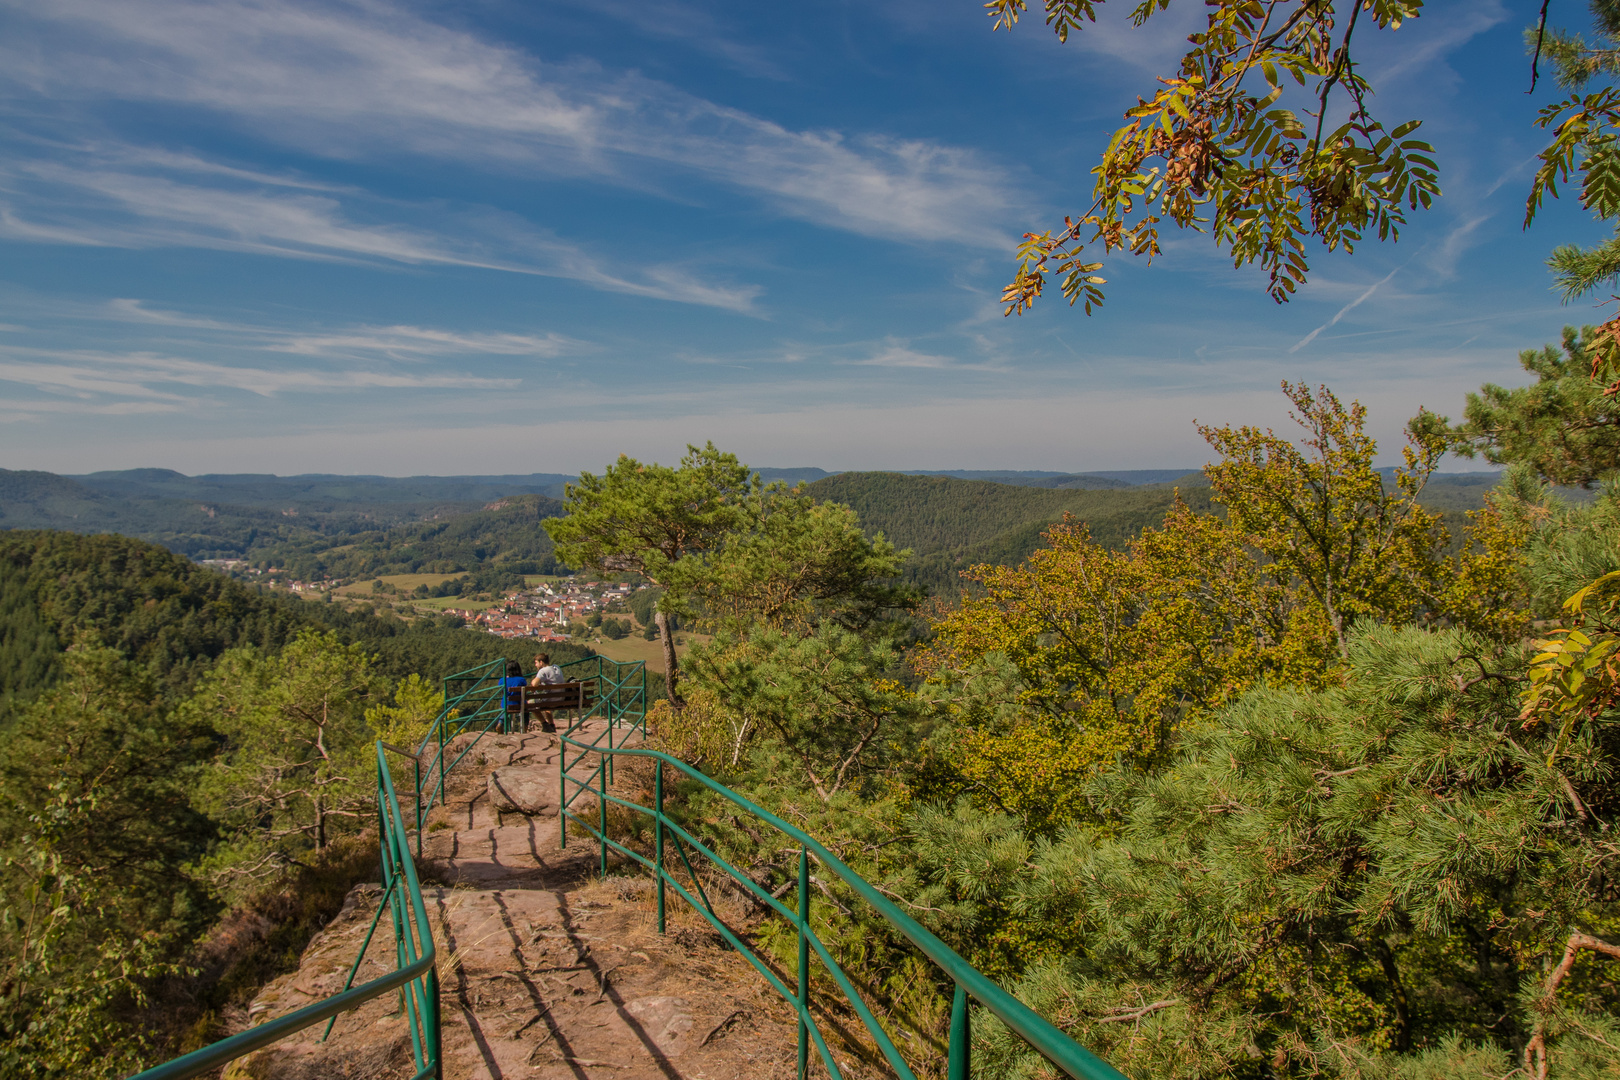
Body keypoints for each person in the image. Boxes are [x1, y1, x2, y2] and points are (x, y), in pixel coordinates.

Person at [529, 652, 564, 733]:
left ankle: (545, 724)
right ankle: (551, 725)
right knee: (546, 703)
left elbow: (534, 684)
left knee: (530, 703)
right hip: (562, 699)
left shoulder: (543, 671)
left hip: (551, 700)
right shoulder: (557, 667)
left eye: (536, 663)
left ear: (541, 662)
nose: (535, 665)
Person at [501, 661, 528, 733]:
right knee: (526, 709)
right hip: (520, 705)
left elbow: (502, 692)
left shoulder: (502, 680)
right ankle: (525, 727)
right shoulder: (521, 680)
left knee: (505, 708)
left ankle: (501, 722)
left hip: (507, 705)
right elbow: (524, 692)